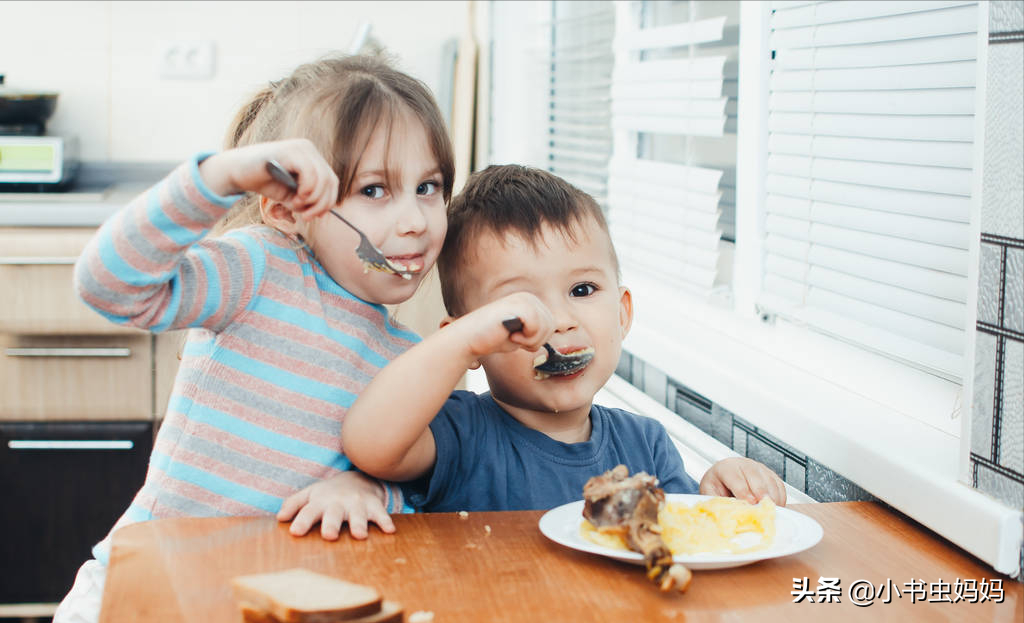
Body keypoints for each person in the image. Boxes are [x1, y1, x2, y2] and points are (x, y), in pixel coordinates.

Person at [54, 53, 454, 623]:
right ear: (287, 211)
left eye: (429, 186)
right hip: (150, 584)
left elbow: (415, 489)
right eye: (375, 190)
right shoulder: (261, 269)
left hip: (268, 601)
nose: (417, 219)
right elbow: (107, 286)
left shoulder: (412, 358)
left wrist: (369, 491)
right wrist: (220, 178)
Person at [341, 164, 788, 512]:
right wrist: (458, 346)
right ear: (471, 340)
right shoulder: (461, 434)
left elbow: (684, 537)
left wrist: (717, 493)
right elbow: (371, 446)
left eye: (582, 291)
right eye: (518, 305)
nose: (558, 321)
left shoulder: (647, 445)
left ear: (622, 313)